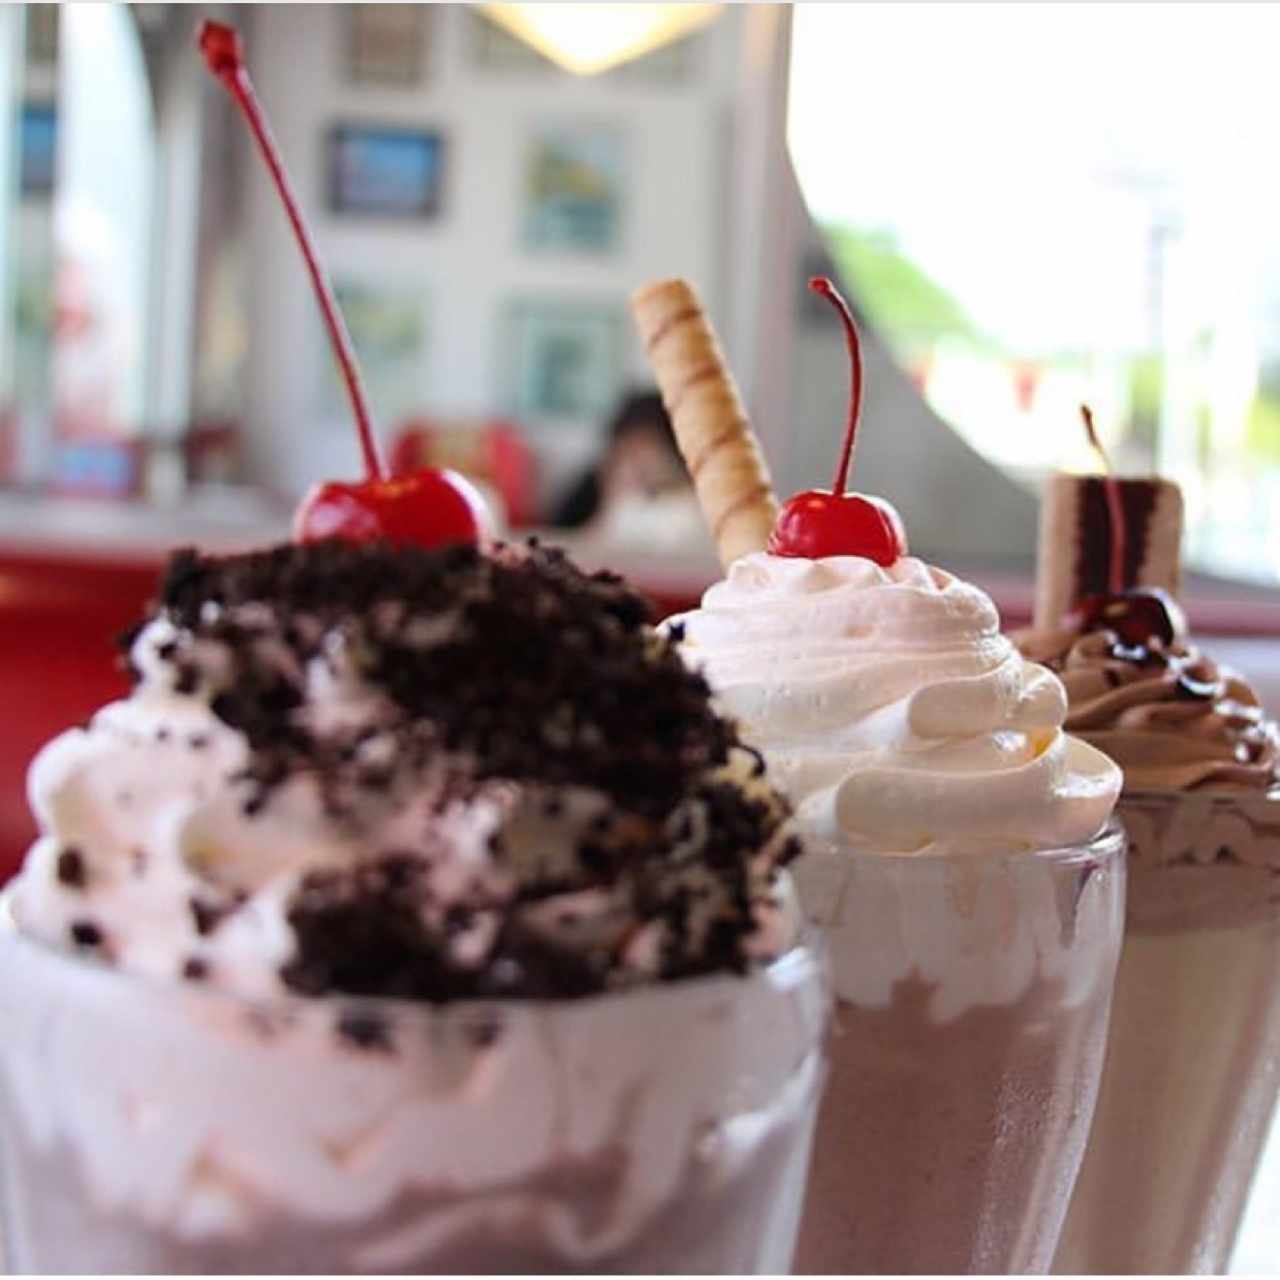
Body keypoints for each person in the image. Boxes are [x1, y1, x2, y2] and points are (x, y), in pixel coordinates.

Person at [552, 390, 689, 529]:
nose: (634, 464)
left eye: (644, 449)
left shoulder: (684, 505)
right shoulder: (590, 487)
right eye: (628, 449)